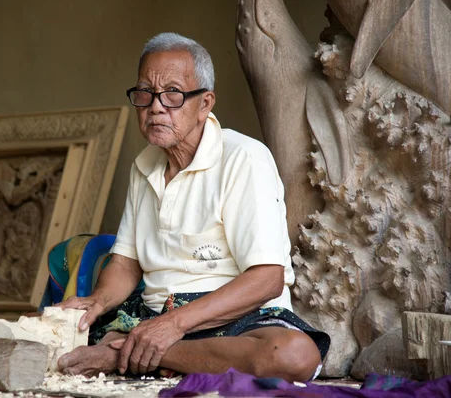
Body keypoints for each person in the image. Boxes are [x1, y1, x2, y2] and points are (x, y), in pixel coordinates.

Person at [56, 32, 330, 382]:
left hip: (234, 320)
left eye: (172, 94)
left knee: (293, 355)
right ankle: (137, 348)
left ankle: (136, 354)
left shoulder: (244, 158)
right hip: (151, 315)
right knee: (62, 331)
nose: (156, 106)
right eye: (145, 94)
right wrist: (98, 301)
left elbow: (267, 280)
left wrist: (171, 327)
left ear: (205, 104)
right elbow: (126, 263)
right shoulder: (144, 166)